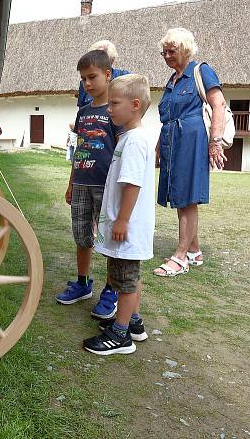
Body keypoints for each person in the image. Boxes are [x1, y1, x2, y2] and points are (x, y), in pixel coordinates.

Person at [83, 74, 154, 355]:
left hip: (128, 225)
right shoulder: (130, 138)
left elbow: (132, 184)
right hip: (125, 224)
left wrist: (122, 219)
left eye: (114, 103)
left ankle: (121, 335)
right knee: (127, 277)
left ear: (135, 105)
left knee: (125, 280)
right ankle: (133, 322)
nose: (108, 109)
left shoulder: (135, 141)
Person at [154, 28, 227, 277]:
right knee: (179, 196)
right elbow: (167, 118)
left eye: (171, 51)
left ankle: (181, 256)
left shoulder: (201, 71)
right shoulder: (173, 80)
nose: (166, 56)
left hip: (192, 139)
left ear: (184, 49)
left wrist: (215, 141)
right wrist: (158, 146)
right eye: (163, 52)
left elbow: (219, 104)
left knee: (188, 198)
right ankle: (194, 251)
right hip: (172, 140)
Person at [57, 50, 122, 320]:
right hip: (82, 183)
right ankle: (82, 283)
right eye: (83, 79)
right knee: (82, 236)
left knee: (108, 240)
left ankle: (112, 290)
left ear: (108, 74)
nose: (87, 83)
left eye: (92, 77)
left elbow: (121, 151)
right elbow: (79, 150)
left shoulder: (116, 112)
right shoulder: (83, 113)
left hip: (106, 185)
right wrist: (71, 183)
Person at [76, 40, 130, 108]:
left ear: (112, 61)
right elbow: (81, 109)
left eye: (92, 77)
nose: (87, 83)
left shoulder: (124, 77)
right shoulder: (84, 83)